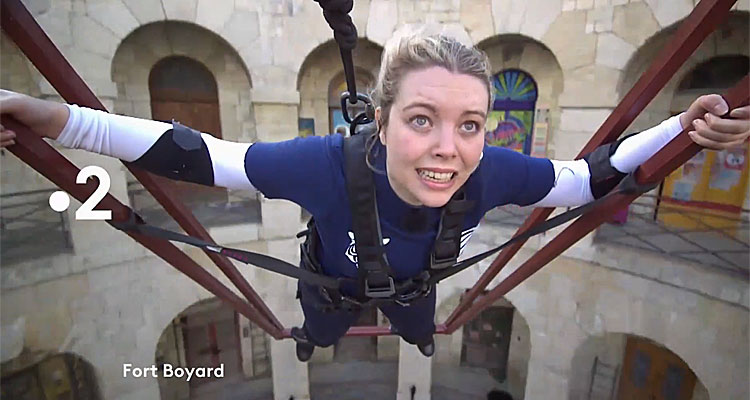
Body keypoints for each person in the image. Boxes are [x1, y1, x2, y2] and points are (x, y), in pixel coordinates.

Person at [1, 35, 748, 362]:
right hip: (331, 279)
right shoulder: (326, 163)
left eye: (470, 125)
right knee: (320, 331)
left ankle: (416, 333)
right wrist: (59, 120)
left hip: (418, 286)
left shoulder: (488, 172)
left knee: (420, 322)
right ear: (382, 124)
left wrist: (676, 131)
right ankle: (319, 341)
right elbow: (198, 154)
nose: (448, 149)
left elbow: (587, 179)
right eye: (422, 120)